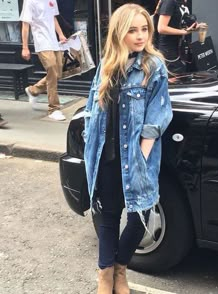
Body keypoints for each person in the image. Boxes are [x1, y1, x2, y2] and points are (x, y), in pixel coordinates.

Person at [83, 3, 173, 293]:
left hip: (136, 160)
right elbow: (91, 110)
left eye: (144, 28)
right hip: (105, 158)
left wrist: (142, 159)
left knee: (140, 219)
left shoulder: (153, 66)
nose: (140, 35)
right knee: (108, 220)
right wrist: (88, 138)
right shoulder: (107, 66)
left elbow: (158, 117)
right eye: (132, 30)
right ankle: (105, 275)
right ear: (119, 32)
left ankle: (121, 269)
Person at [20, 0, 67, 121]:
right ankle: (54, 108)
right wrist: (25, 47)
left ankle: (33, 90)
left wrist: (61, 34)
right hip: (42, 42)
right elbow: (25, 24)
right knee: (52, 70)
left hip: (54, 42)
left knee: (58, 73)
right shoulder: (30, 2)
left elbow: (53, 18)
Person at [157, 0, 199, 73]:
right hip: (169, 52)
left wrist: (193, 27)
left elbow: (180, 23)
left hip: (181, 49)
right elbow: (161, 28)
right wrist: (183, 32)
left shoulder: (183, 2)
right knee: (175, 80)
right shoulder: (169, 2)